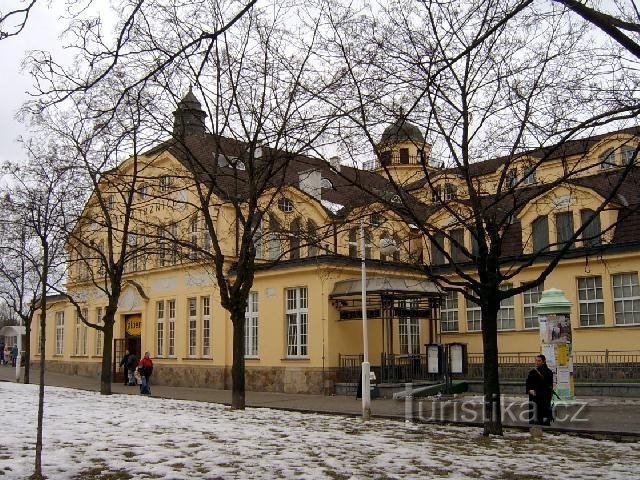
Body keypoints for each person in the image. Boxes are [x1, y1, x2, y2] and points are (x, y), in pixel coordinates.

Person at [526, 354, 554, 427]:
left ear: (543, 362)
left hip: (543, 398)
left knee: (543, 417)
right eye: (536, 360)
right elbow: (528, 383)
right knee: (534, 418)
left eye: (539, 361)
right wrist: (530, 390)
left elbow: (549, 385)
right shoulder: (532, 372)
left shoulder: (548, 372)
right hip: (534, 397)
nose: (537, 362)